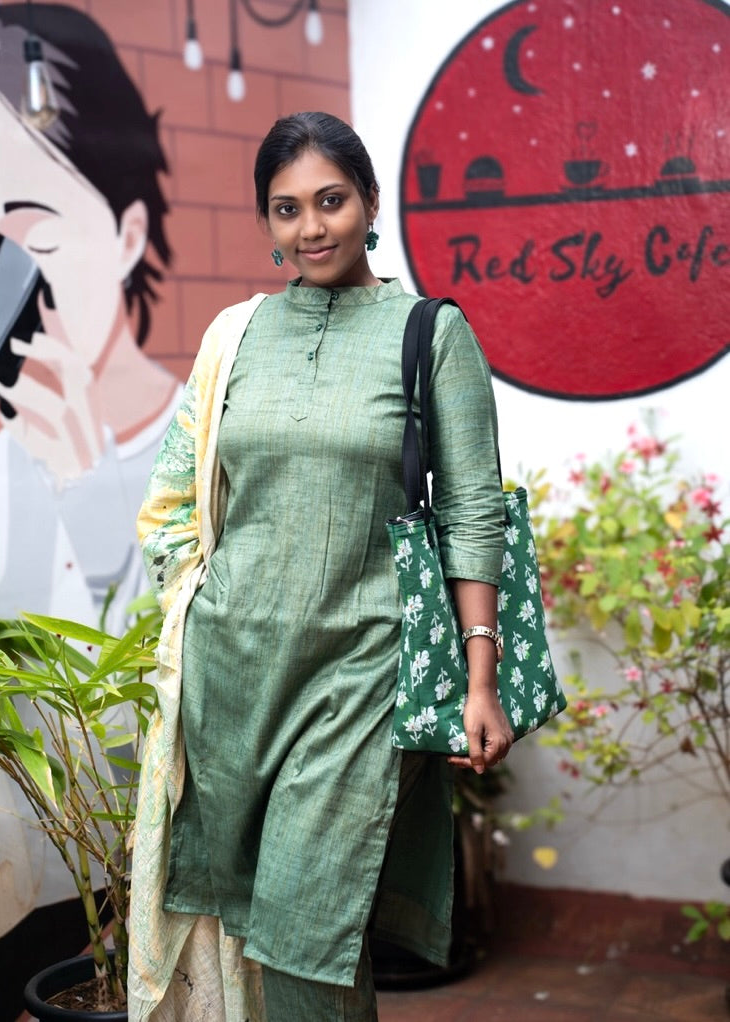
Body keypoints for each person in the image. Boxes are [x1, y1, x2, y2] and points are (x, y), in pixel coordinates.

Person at [130, 111, 513, 1022]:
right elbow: (171, 495)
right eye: (287, 208)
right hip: (232, 677)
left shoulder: (430, 334)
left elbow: (471, 510)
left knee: (308, 929)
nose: (311, 227)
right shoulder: (236, 336)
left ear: (370, 202)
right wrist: (201, 600)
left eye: (331, 201)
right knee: (260, 934)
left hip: (360, 674)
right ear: (266, 221)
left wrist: (480, 679)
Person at [0, 3, 180, 940]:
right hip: (1, 872)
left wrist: (86, 492)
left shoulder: (195, 434)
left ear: (128, 233)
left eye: (31, 228)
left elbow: (178, 666)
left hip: (122, 878)